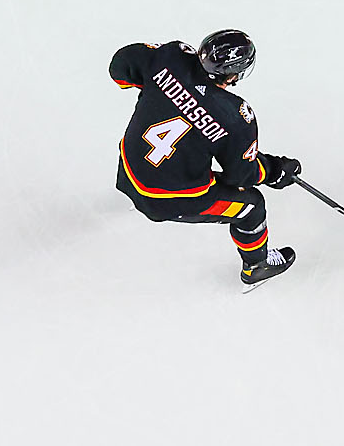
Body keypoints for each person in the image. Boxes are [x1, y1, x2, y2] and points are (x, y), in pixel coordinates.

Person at [110, 30, 304, 289]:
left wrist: (161, 88)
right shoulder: (235, 115)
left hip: (128, 170)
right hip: (163, 201)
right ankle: (256, 266)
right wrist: (275, 170)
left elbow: (120, 67)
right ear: (235, 73)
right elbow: (241, 175)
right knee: (251, 206)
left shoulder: (171, 56)